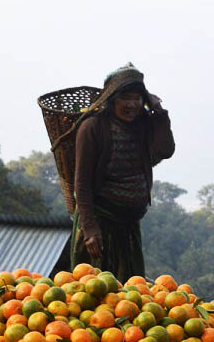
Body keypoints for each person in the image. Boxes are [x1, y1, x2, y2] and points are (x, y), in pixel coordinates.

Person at [66, 63, 175, 280]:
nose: (132, 104)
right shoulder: (93, 127)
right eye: (125, 97)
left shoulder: (143, 124)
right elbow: (82, 183)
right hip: (99, 224)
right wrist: (89, 229)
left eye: (137, 98)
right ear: (111, 98)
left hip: (129, 225)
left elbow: (166, 150)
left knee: (130, 293)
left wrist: (159, 113)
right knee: (94, 294)